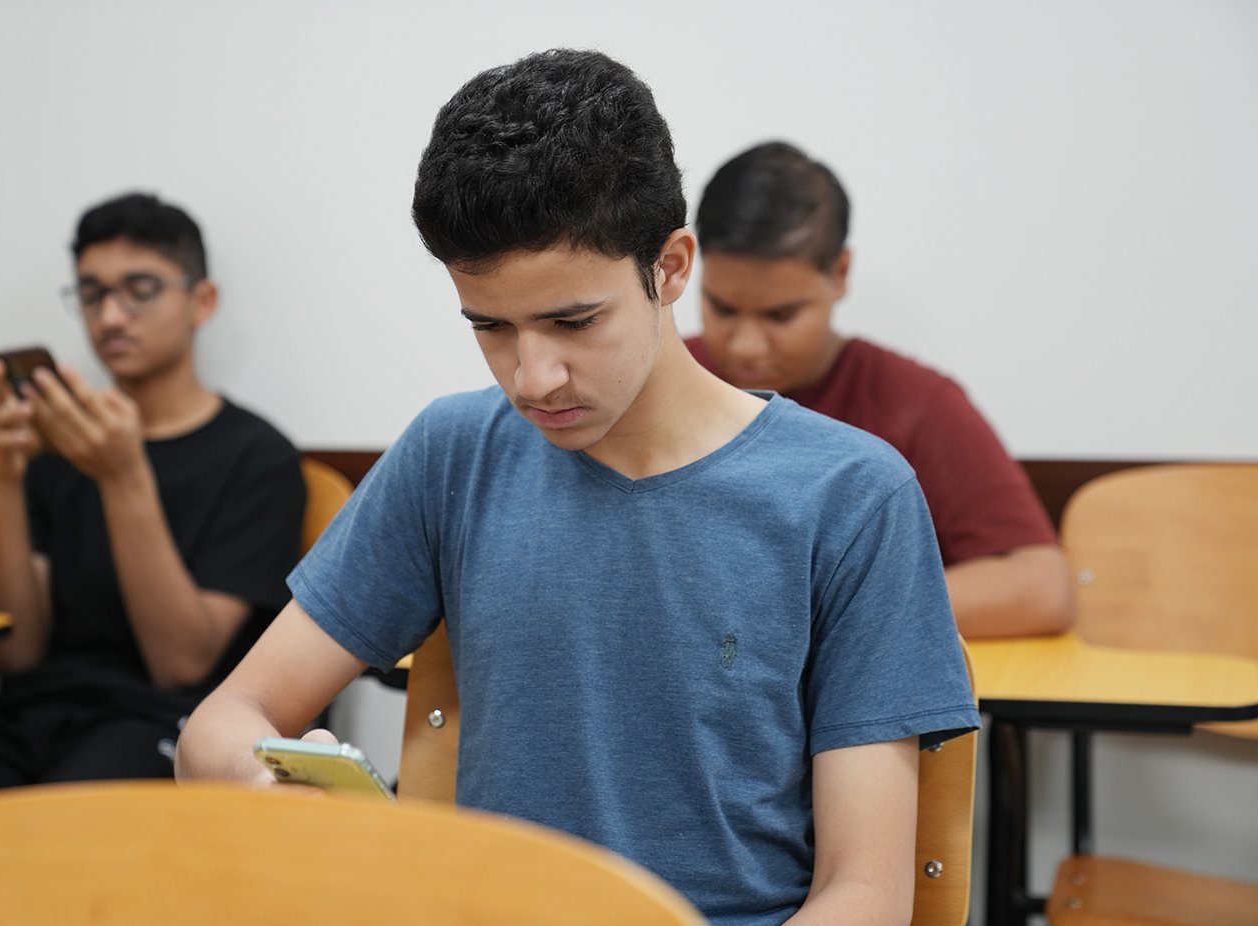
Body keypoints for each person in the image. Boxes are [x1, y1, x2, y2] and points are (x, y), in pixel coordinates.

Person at [175, 50, 978, 926]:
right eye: (489, 326)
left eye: (573, 321)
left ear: (670, 267)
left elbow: (866, 897)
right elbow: (221, 722)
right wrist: (262, 781)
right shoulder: (453, 455)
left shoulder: (850, 496)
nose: (533, 378)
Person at [0, 193, 305, 810]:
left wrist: (124, 476)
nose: (110, 316)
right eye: (92, 293)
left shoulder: (257, 457)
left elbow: (180, 664)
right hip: (31, 711)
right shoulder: (58, 453)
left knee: (59, 840)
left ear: (202, 301)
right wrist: (3, 478)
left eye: (140, 290)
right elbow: (14, 653)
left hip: (164, 719)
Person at [688, 141, 1075, 639]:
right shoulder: (661, 382)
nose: (746, 345)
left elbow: (1040, 587)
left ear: (840, 274)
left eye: (780, 315)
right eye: (721, 308)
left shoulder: (916, 403)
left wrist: (825, 612)